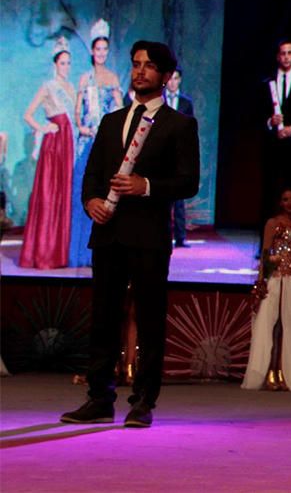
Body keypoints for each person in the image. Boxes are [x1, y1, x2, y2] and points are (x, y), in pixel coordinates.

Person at [60, 40, 200, 429]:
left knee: (150, 318)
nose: (140, 71)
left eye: (149, 66)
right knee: (102, 316)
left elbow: (189, 182)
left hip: (149, 236)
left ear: (166, 76)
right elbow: (91, 174)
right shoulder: (110, 120)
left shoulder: (180, 124)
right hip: (108, 233)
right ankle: (99, 397)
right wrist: (90, 201)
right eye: (136, 64)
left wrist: (147, 186)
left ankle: (143, 402)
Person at [242, 188, 291, 392]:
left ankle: (287, 373)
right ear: (280, 203)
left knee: (290, 329)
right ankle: (268, 372)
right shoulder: (273, 224)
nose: (289, 202)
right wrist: (261, 280)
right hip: (276, 280)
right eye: (285, 199)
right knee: (271, 327)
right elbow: (265, 253)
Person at [69, 19, 124, 268]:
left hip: (106, 140)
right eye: (97, 49)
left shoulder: (112, 77)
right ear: (92, 51)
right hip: (86, 140)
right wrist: (81, 125)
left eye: (105, 49)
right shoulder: (84, 78)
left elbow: (120, 108)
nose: (101, 53)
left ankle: (103, 251)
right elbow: (78, 110)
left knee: (105, 191)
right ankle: (79, 253)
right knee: (85, 191)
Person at [19, 40, 76, 269]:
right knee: (50, 194)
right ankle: (44, 252)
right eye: (62, 63)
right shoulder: (48, 86)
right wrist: (43, 128)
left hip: (69, 142)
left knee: (65, 193)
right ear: (55, 64)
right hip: (54, 146)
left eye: (69, 63)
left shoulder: (71, 87)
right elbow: (28, 114)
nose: (66, 67)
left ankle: (61, 252)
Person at [260, 39, 291, 232]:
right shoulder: (267, 82)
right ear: (277, 56)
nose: (286, 57)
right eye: (283, 53)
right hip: (272, 146)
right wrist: (270, 122)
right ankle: (266, 242)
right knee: (270, 192)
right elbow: (258, 113)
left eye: (290, 53)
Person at [164, 67, 194, 247]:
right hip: (162, 154)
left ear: (180, 80)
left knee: (179, 197)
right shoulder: (159, 100)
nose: (172, 82)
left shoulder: (186, 103)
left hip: (180, 154)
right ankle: (164, 233)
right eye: (170, 79)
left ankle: (181, 236)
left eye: (176, 79)